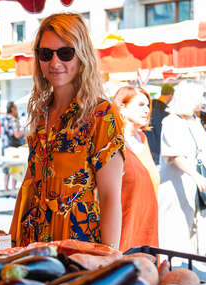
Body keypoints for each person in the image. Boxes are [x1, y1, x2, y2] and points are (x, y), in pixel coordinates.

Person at [9, 13, 125, 248]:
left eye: (65, 53)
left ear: (82, 55)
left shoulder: (102, 114)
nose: (54, 63)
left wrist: (108, 258)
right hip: (34, 241)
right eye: (46, 54)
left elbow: (110, 197)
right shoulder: (41, 111)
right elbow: (29, 184)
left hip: (77, 242)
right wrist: (12, 241)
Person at [159, 81, 206, 256]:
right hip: (179, 184)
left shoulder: (195, 120)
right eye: (199, 96)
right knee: (177, 230)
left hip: (195, 183)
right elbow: (175, 155)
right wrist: (195, 175)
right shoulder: (171, 121)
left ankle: (193, 266)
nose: (201, 100)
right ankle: (176, 269)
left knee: (198, 227)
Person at [113, 86, 159, 252]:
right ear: (122, 108)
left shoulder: (142, 138)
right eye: (140, 105)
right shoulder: (112, 142)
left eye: (148, 105)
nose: (147, 110)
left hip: (147, 228)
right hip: (123, 231)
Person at [145, 83, 174, 166]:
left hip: (148, 149)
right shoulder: (165, 110)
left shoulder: (149, 105)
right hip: (158, 152)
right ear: (171, 95)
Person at [1, 101, 25, 193]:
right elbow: (17, 135)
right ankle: (13, 190)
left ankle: (6, 188)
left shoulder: (3, 119)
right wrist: (26, 132)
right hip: (14, 147)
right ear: (12, 109)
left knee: (6, 168)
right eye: (16, 109)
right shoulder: (13, 120)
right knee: (15, 168)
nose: (17, 111)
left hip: (5, 146)